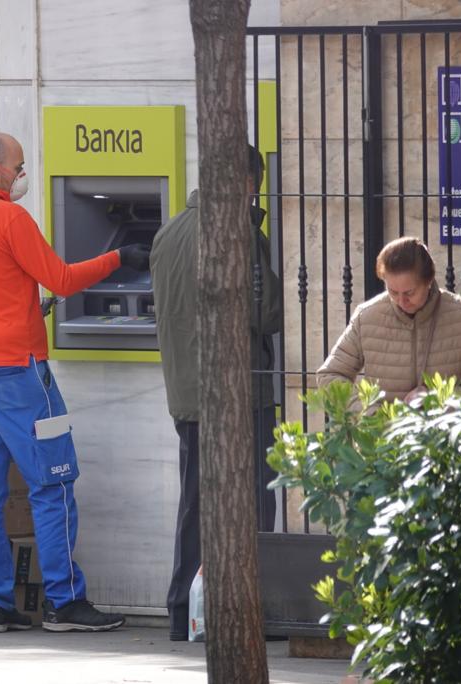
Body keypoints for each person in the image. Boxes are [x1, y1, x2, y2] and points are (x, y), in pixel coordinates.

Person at [0, 131, 151, 633]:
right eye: (19, 166)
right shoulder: (10, 218)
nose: (22, 175)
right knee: (53, 483)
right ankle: (65, 603)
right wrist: (121, 258)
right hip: (19, 375)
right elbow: (63, 280)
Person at [149, 144, 282, 641]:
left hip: (188, 394)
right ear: (247, 183)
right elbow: (264, 313)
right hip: (240, 389)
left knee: (195, 505)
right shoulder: (240, 234)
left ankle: (183, 612)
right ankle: (251, 612)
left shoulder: (168, 231)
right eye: (257, 187)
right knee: (255, 503)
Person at [318, 236, 461, 401]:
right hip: (383, 429)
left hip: (446, 429)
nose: (401, 301)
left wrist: (438, 398)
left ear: (428, 281)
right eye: (392, 291)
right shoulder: (366, 317)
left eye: (409, 293)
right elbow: (329, 376)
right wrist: (371, 414)